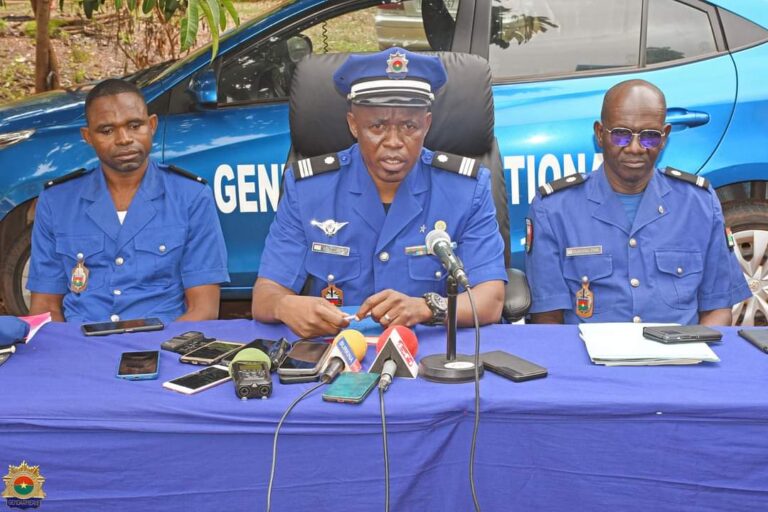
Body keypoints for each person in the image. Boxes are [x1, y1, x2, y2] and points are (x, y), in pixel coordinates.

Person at [252, 48, 507, 337]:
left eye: (409, 126)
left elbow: (491, 299)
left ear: (427, 125)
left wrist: (426, 308)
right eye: (377, 126)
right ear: (353, 124)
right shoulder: (308, 190)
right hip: (339, 352)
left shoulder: (466, 189)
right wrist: (286, 305)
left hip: (431, 354)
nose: (394, 141)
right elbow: (265, 295)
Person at [525, 79, 750, 325]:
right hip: (590, 360)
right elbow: (547, 318)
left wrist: (696, 353)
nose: (635, 148)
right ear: (600, 134)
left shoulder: (699, 204)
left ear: (664, 137)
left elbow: (717, 308)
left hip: (678, 358)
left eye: (649, 137)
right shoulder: (554, 209)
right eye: (621, 135)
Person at [27, 79, 229, 323]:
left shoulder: (190, 196)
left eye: (135, 125)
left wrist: (155, 351)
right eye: (107, 130)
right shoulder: (57, 202)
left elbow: (203, 309)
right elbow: (45, 307)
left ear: (152, 125)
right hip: (82, 346)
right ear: (88, 136)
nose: (124, 138)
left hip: (160, 345)